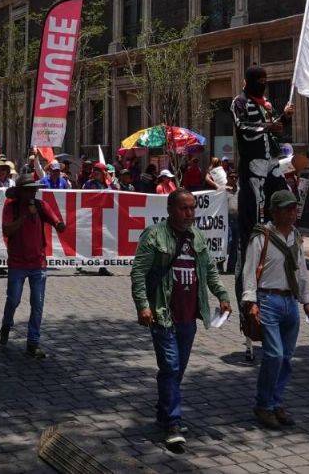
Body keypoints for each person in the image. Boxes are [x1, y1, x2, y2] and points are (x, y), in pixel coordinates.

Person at [130, 188, 232, 452]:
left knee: (177, 369)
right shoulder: (154, 236)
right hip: (163, 314)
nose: (189, 214)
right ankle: (174, 423)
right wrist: (143, 306)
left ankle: (164, 411)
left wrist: (221, 294)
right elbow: (138, 273)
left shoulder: (197, 236)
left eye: (192, 208)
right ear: (170, 210)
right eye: (183, 208)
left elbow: (209, 269)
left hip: (190, 315)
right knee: (172, 367)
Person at [241, 190, 309, 429]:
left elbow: (301, 270)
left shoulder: (295, 236)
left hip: (290, 302)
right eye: (286, 209)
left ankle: (276, 402)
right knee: (273, 355)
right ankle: (263, 405)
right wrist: (251, 302)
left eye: (294, 208)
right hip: (268, 300)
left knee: (286, 357)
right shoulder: (262, 236)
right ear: (274, 211)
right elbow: (250, 270)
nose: (292, 213)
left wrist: (307, 300)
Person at [0, 174, 66, 359]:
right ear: (19, 192)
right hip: (17, 262)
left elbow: (56, 222)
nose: (32, 193)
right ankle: (6, 324)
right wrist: (26, 215)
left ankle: (32, 343)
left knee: (37, 303)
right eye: (28, 190)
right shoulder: (11, 207)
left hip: (38, 263)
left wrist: (60, 225)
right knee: (13, 300)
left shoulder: (41, 206)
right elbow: (7, 230)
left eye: (33, 189)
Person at [224, 171, 240, 275]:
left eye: (235, 177)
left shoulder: (240, 191)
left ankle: (231, 267)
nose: (234, 179)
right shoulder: (222, 190)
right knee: (226, 243)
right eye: (231, 177)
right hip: (226, 220)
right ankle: (219, 265)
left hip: (237, 220)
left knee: (235, 244)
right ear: (227, 178)